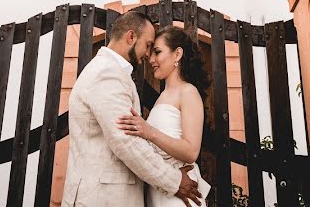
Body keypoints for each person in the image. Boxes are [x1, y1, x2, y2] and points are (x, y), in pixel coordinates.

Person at [61, 11, 202, 207]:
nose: (148, 55)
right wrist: (174, 181)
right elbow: (126, 142)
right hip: (103, 198)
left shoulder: (112, 71)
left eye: (156, 50)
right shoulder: (106, 72)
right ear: (131, 37)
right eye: (148, 46)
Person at [116, 25, 212, 207]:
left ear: (177, 54)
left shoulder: (188, 92)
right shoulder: (163, 96)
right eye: (151, 53)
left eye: (157, 52)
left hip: (180, 195)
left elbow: (191, 152)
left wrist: (148, 131)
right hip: (160, 189)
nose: (151, 59)